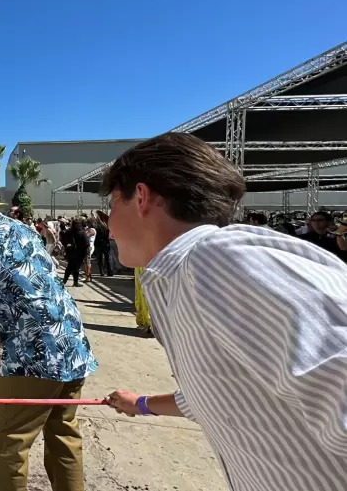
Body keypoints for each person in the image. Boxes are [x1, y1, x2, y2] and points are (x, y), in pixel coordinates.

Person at [101, 133, 347, 491]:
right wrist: (140, 404)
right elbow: (226, 389)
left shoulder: (217, 260)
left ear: (141, 197)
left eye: (112, 205)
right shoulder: (184, 275)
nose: (108, 223)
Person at [0, 179, 98, 491]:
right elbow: (28, 287)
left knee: (8, 438)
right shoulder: (19, 228)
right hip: (71, 343)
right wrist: (3, 326)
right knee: (63, 434)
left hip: (36, 355)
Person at [61, 219, 87, 287]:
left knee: (69, 267)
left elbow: (63, 241)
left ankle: (64, 281)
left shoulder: (68, 232)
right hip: (79, 253)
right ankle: (75, 282)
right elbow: (86, 243)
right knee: (76, 268)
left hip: (70, 252)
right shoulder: (81, 232)